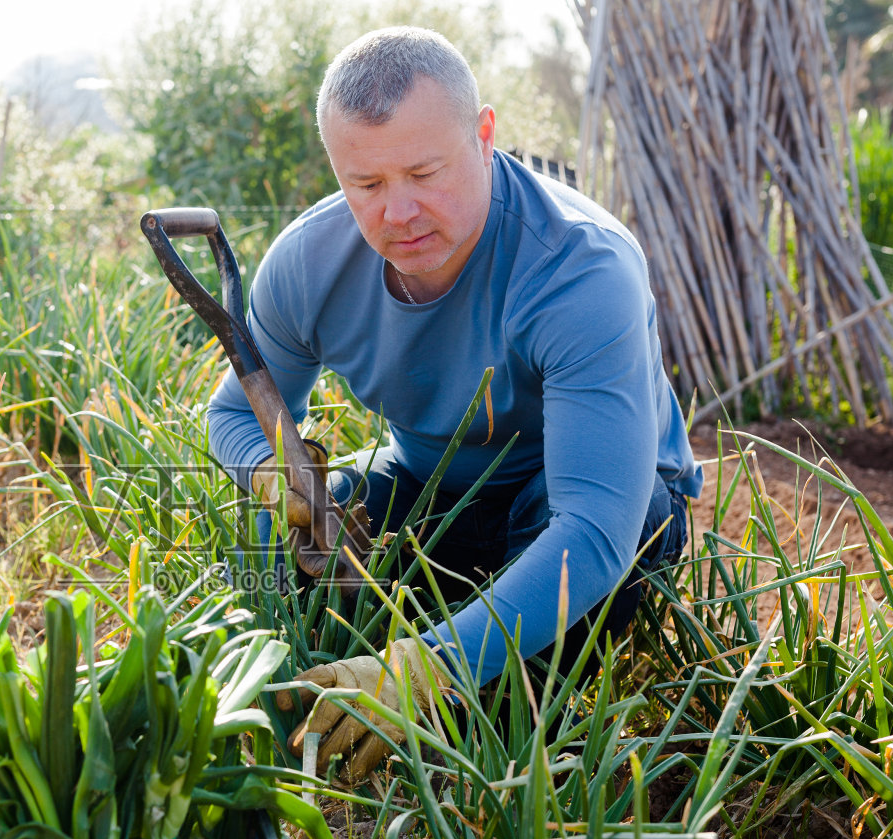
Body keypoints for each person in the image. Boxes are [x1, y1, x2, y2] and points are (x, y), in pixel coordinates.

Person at [205, 26, 704, 780]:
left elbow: (597, 528)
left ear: (484, 136)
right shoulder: (310, 260)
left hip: (581, 506)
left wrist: (427, 665)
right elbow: (235, 415)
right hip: (434, 486)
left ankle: (478, 715)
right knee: (305, 525)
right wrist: (272, 476)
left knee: (500, 702)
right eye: (365, 185)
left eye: (424, 172)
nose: (397, 213)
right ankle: (338, 690)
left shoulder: (579, 268)